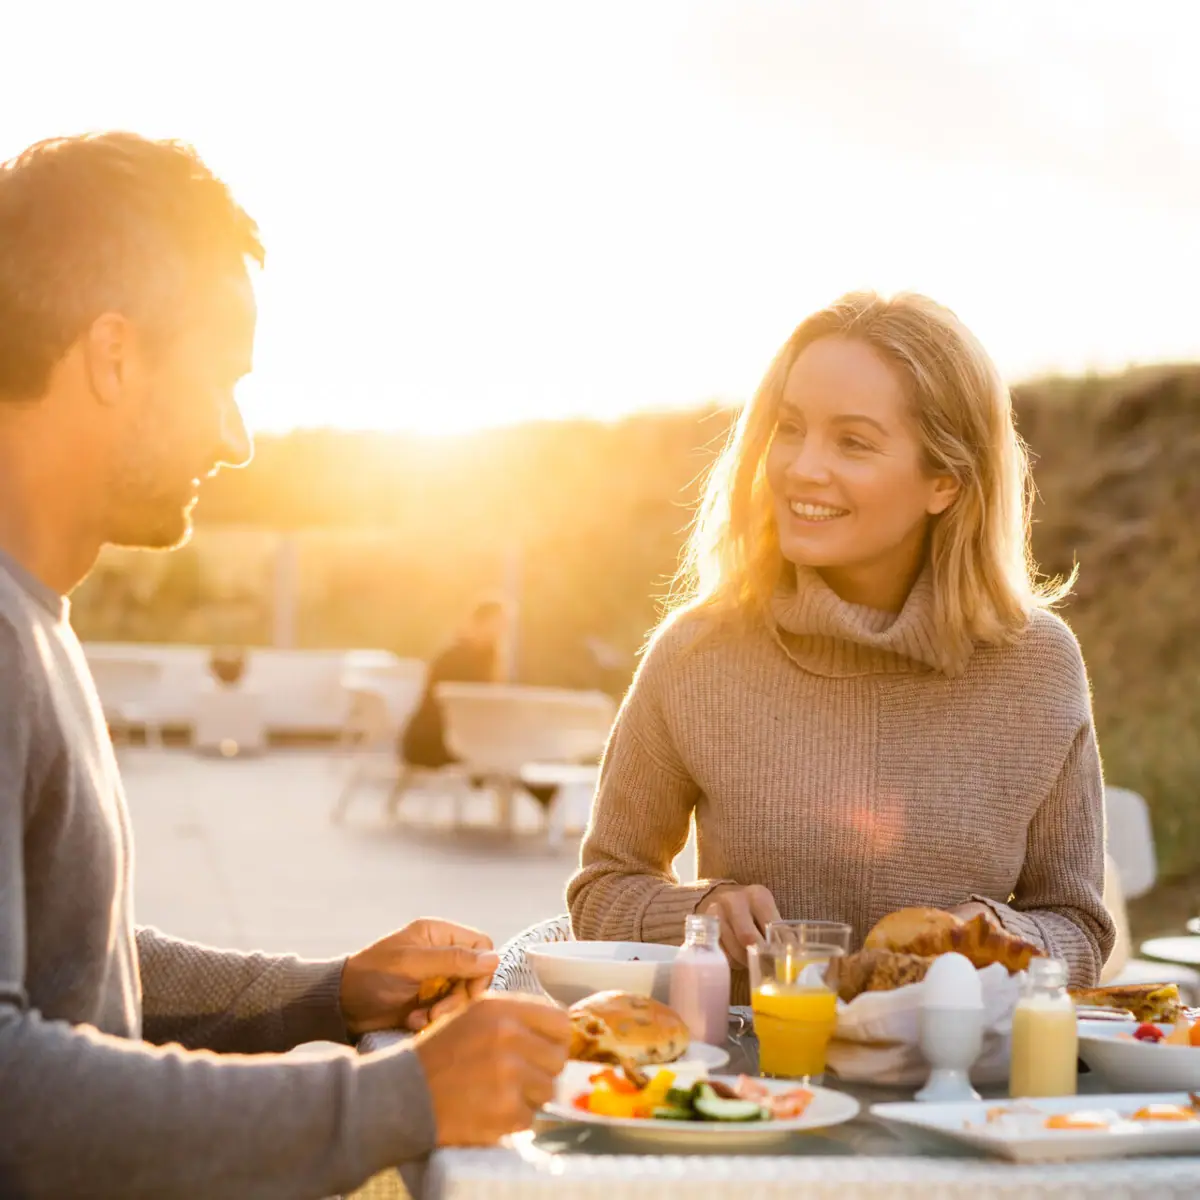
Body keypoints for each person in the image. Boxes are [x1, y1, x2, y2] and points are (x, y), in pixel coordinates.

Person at [0, 132, 571, 1199]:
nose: (237, 438)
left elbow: (77, 965)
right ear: (114, 355)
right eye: (223, 380)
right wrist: (399, 1099)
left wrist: (332, 991)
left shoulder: (35, 621)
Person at [568, 291, 1115, 996]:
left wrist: (994, 936)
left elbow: (1078, 926)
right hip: (752, 1062)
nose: (802, 467)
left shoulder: (1037, 665)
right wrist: (698, 914)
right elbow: (602, 891)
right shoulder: (696, 655)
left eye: (852, 442)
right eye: (789, 428)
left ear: (946, 480)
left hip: (957, 1068)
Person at [399, 599, 510, 770]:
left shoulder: (486, 659)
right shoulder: (454, 658)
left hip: (456, 741)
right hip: (430, 743)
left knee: (504, 754)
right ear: (480, 622)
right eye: (497, 624)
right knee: (500, 756)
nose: (500, 631)